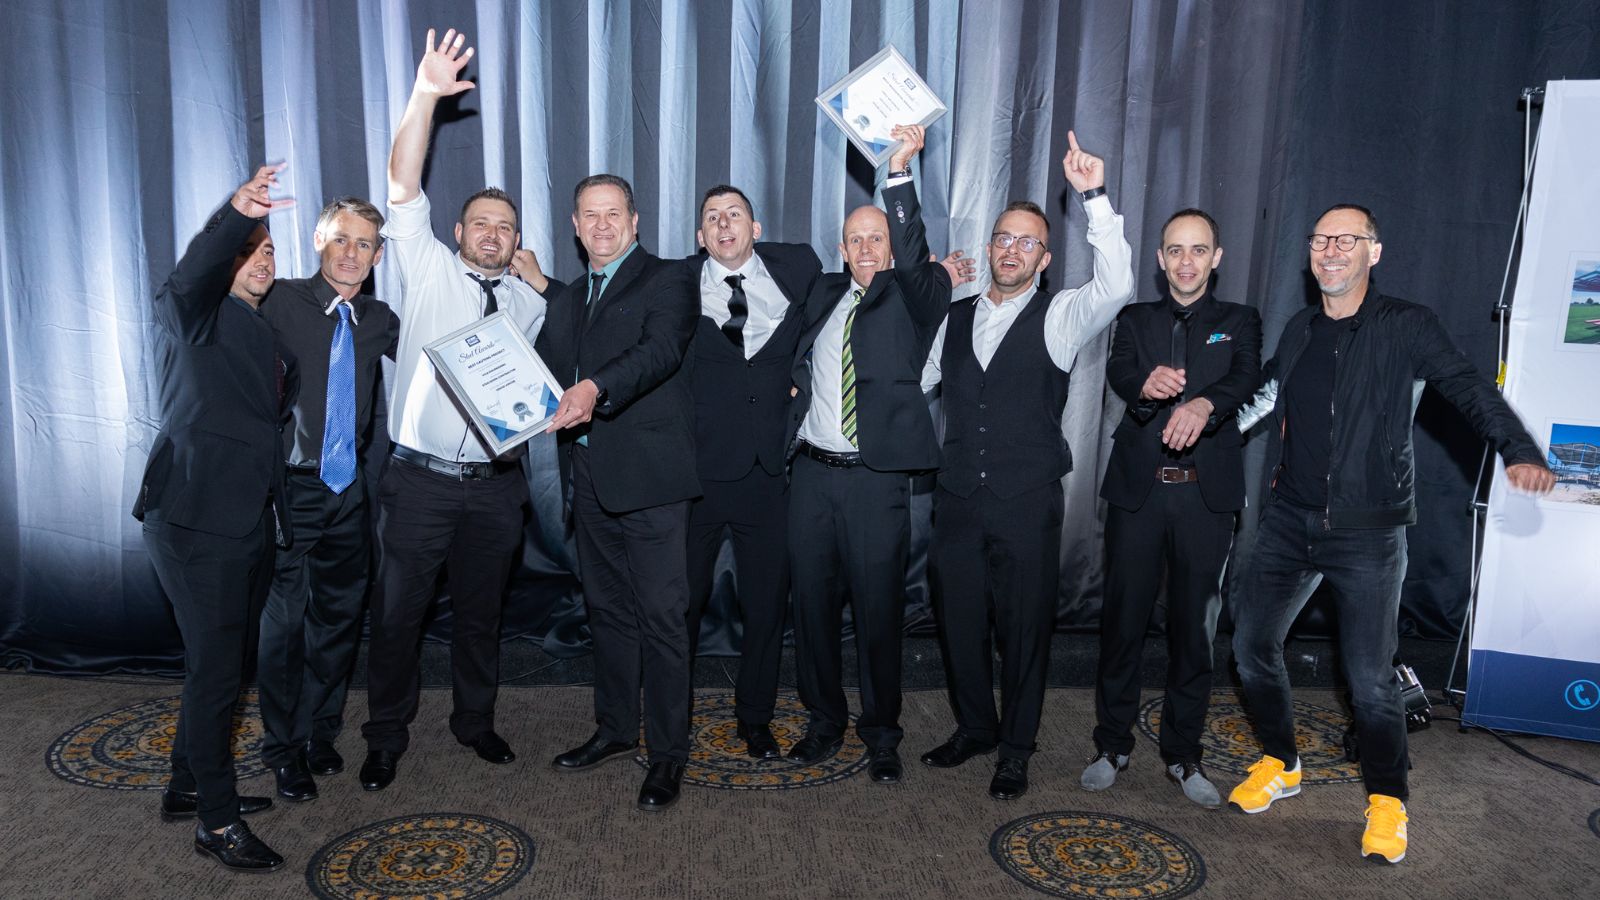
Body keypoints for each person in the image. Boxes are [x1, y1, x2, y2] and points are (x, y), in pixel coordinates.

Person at [1228, 204, 1555, 863]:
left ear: (1373, 253)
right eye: (1321, 239)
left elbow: (1467, 387)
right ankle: (1282, 762)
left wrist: (1518, 449)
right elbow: (1264, 399)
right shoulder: (1299, 328)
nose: (1331, 250)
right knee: (1250, 645)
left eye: (1347, 240)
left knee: (1370, 679)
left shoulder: (1407, 325)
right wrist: (1201, 429)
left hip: (1369, 532)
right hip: (1289, 521)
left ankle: (1387, 799)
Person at [919, 132, 1136, 801]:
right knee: (958, 623)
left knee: (1023, 632)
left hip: (1026, 501)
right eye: (1003, 239)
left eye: (1027, 242)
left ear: (1044, 258)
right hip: (957, 499)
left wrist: (1094, 197)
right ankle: (975, 728)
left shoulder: (1062, 315)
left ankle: (1016, 748)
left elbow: (1118, 284)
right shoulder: (952, 318)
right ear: (988, 248)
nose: (1011, 250)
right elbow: (913, 383)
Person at [358, 28, 546, 792]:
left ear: (517, 241)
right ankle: (384, 735)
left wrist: (543, 285)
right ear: (460, 232)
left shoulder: (531, 303)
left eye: (505, 227)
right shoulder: (427, 267)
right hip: (421, 483)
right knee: (398, 615)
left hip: (498, 487)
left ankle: (475, 722)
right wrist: (425, 96)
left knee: (480, 615)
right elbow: (402, 181)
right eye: (481, 224)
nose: (492, 235)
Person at [136, 164, 295, 871]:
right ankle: (217, 823)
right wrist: (236, 215)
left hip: (250, 521)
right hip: (195, 521)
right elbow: (191, 277)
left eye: (269, 249)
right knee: (216, 674)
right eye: (248, 249)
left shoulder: (261, 330)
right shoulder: (193, 311)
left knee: (222, 665)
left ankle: (185, 786)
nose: (261, 258)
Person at [783, 125, 952, 784]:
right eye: (854, 239)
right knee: (812, 609)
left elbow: (912, 252)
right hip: (811, 478)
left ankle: (882, 733)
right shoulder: (822, 294)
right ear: (841, 248)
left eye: (875, 237)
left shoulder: (916, 293)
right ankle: (823, 721)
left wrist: (899, 173)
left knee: (879, 612)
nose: (864, 248)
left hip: (875, 482)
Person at [1081, 208, 1260, 807]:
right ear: (1160, 260)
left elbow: (1246, 377)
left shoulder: (1240, 321)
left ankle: (1184, 754)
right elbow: (1118, 372)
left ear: (1217, 258)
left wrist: (1203, 404)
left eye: (1198, 250)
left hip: (1206, 498)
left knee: (1194, 632)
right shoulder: (1134, 319)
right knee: (1122, 624)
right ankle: (1111, 744)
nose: (1186, 261)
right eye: (1175, 250)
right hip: (1139, 493)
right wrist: (1143, 388)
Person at [538, 173, 700, 812]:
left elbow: (660, 351)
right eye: (590, 215)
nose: (601, 225)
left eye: (613, 214)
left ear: (634, 223)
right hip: (590, 479)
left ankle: (668, 753)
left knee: (661, 618)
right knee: (605, 613)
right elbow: (542, 375)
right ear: (576, 228)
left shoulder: (670, 279)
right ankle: (613, 729)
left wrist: (594, 387)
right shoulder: (569, 299)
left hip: (652, 481)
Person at [257, 197, 399, 802]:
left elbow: (447, 355)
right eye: (341, 239)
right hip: (289, 489)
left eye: (364, 243)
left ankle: (321, 731)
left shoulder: (380, 319)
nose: (351, 253)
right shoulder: (277, 300)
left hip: (349, 491)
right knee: (284, 625)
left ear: (378, 256)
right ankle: (283, 749)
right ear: (318, 240)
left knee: (339, 619)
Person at [682, 185, 822, 758]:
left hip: (769, 475)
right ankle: (672, 714)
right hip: (696, 476)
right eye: (712, 218)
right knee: (681, 604)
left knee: (765, 607)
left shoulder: (799, 268)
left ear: (756, 229)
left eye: (734, 215)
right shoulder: (676, 283)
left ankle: (756, 718)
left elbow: (852, 297)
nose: (724, 225)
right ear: (700, 237)